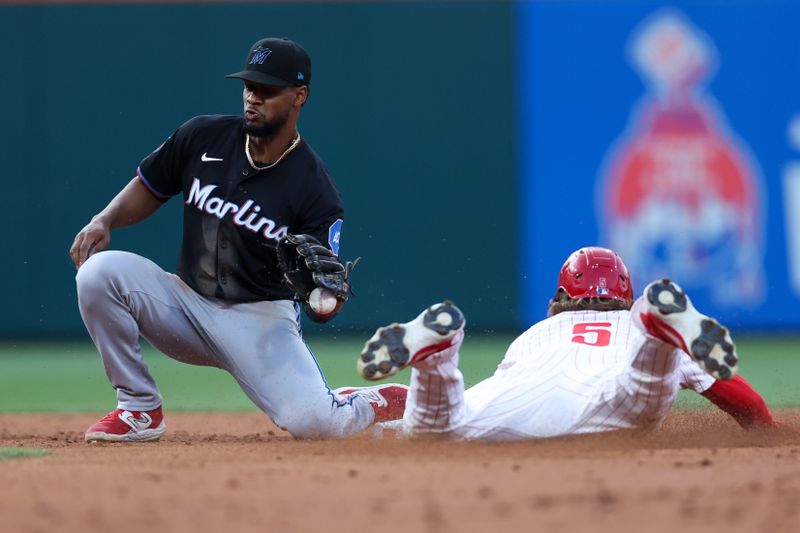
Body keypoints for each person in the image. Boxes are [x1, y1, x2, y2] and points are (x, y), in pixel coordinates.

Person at [69, 37, 406, 443]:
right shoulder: (202, 137)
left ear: (299, 95)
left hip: (259, 322)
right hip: (184, 304)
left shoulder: (315, 189)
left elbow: (324, 299)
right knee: (98, 273)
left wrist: (325, 298)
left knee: (315, 424)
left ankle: (366, 402)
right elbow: (150, 185)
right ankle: (139, 408)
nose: (253, 98)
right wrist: (105, 218)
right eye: (249, 87)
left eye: (267, 91)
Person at [357, 247, 778, 440]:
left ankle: (439, 359)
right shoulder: (626, 328)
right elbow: (746, 405)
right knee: (643, 388)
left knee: (436, 431)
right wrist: (769, 430)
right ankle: (656, 329)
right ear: (626, 297)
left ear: (561, 298)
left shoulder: (534, 334)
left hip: (503, 405)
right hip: (604, 400)